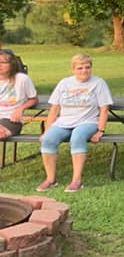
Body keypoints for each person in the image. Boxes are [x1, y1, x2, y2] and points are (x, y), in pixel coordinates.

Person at [36, 53, 112, 193]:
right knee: (48, 139)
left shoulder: (98, 83)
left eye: (87, 67)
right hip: (64, 121)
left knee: (77, 137)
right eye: (80, 68)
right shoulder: (64, 83)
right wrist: (47, 131)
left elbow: (104, 109)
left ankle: (76, 181)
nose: (84, 71)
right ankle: (50, 179)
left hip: (87, 122)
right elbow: (54, 109)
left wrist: (100, 131)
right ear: (73, 69)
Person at [0, 49, 38, 140]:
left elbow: (33, 99)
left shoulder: (22, 79)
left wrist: (21, 109)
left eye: (3, 62)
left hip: (11, 120)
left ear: (12, 64)